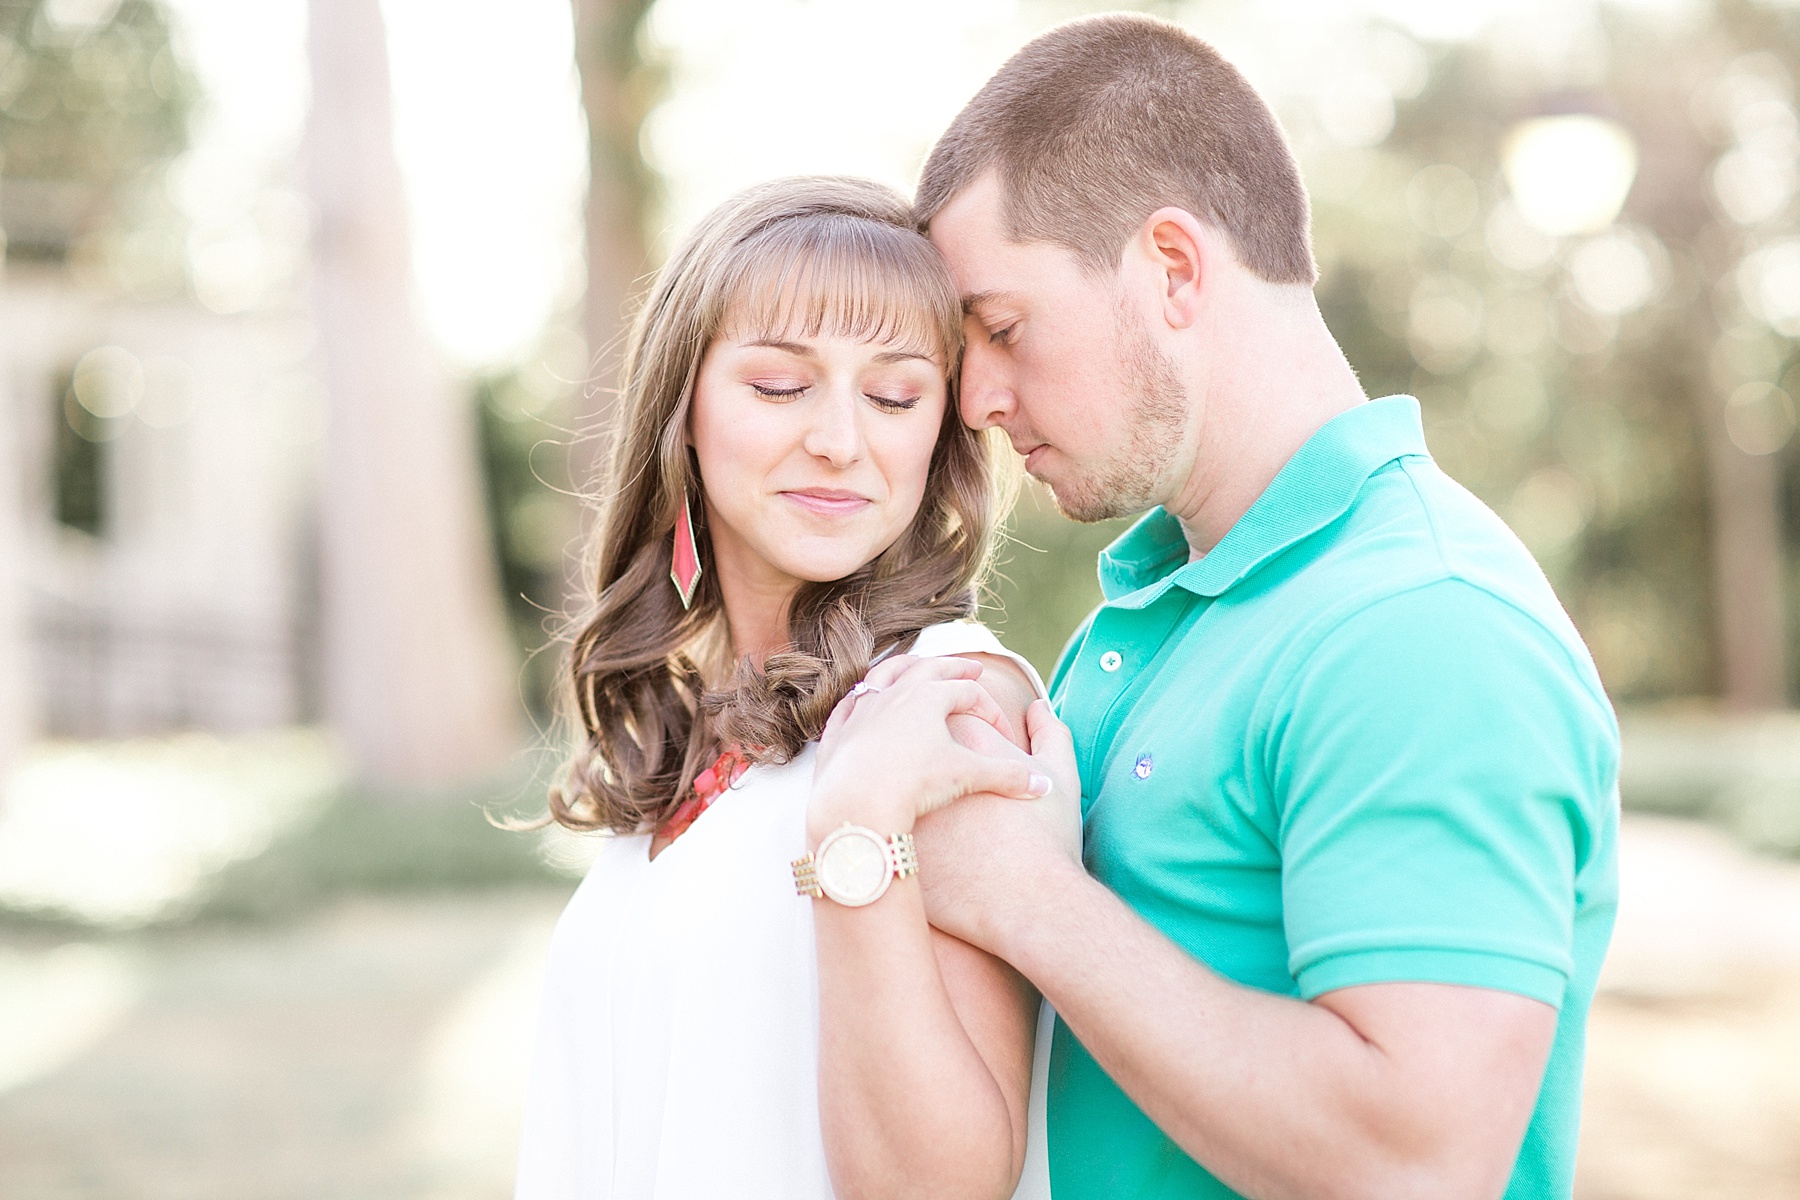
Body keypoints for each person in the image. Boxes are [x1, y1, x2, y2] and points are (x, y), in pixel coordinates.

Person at [868, 13, 1621, 1200]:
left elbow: (1412, 1163)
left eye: (1002, 330)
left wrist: (1027, 899)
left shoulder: (1421, 626)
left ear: (1172, 267)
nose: (973, 402)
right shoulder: (1161, 613)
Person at [512, 176, 1073, 1200]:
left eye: (896, 395)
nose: (841, 440)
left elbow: (944, 1187)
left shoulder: (947, 703)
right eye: (780, 386)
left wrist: (854, 822)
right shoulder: (683, 731)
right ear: (682, 408)